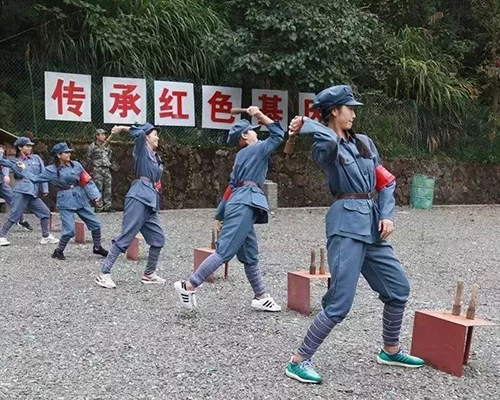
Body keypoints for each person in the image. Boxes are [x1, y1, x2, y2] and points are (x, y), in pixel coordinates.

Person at [284, 85, 423, 384]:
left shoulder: (366, 143)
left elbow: (386, 182)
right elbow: (325, 139)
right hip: (345, 224)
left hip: (371, 224)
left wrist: (386, 214)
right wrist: (306, 125)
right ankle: (299, 360)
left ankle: (390, 349)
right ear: (334, 111)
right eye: (349, 107)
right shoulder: (325, 145)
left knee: (398, 288)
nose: (354, 113)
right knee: (340, 302)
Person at [174, 106, 283, 312]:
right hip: (245, 203)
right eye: (253, 130)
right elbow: (278, 134)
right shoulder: (257, 149)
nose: (256, 133)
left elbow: (230, 188)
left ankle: (261, 295)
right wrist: (259, 114)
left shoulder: (240, 157)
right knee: (224, 251)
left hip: (239, 203)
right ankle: (188, 286)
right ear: (245, 135)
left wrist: (221, 214)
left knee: (250, 254)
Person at [95, 123, 166, 289]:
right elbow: (139, 133)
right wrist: (122, 128)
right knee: (126, 236)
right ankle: (104, 273)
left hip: (150, 200)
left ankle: (149, 274)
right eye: (155, 134)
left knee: (158, 239)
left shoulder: (155, 156)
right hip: (139, 197)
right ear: (147, 136)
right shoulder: (142, 149)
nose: (158, 138)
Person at [13, 142, 108, 260]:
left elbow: (86, 181)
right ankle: (58, 251)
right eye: (66, 152)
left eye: (69, 152)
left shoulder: (76, 165)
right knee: (69, 229)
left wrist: (95, 195)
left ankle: (97, 247)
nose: (69, 154)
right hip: (65, 200)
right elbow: (35, 179)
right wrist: (24, 169)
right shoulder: (51, 170)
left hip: (80, 197)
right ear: (59, 155)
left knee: (95, 223)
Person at [0, 137, 58, 246]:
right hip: (22, 191)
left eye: (31, 145)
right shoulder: (16, 161)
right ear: (20, 148)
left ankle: (45, 236)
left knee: (45, 212)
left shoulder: (36, 158)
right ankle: (1, 236)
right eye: (27, 146)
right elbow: (2, 161)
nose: (30, 148)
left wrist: (44, 189)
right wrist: (0, 152)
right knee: (15, 214)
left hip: (32, 192)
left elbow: (43, 173)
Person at [0, 143, 31, 232]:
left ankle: (21, 220)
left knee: (14, 199)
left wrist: (6, 175)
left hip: (1, 183)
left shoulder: (1, 151)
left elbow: (6, 163)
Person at [87, 128, 116, 212]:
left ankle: (107, 206)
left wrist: (108, 163)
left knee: (108, 187)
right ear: (97, 136)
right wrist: (93, 166)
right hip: (97, 168)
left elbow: (109, 155)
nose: (104, 136)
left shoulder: (107, 145)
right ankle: (99, 206)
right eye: (102, 134)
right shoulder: (92, 146)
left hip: (106, 168)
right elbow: (89, 157)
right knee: (98, 187)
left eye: (104, 134)